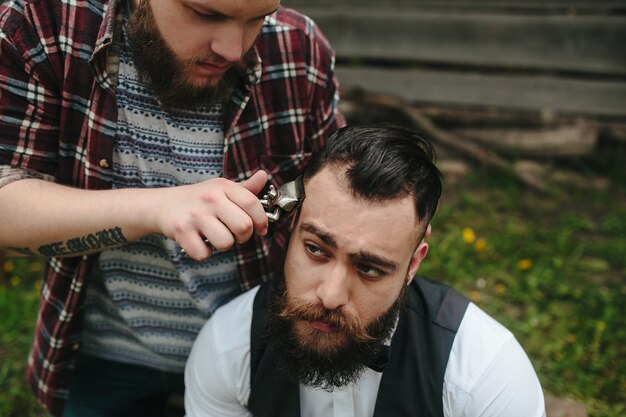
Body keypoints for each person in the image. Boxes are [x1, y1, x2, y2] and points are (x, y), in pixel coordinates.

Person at [0, 0, 344, 415]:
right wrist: (157, 208)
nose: (234, 49)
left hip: (252, 353)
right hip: (101, 353)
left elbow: (338, 183)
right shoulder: (43, 23)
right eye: (207, 14)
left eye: (257, 19)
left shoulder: (299, 47)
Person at [185, 125, 546, 417]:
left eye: (370, 268)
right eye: (315, 250)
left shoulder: (484, 375)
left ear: (413, 264)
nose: (331, 294)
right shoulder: (228, 349)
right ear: (292, 228)